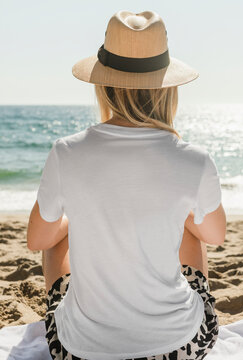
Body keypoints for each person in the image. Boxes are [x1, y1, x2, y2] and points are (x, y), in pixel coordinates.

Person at [27, 9, 226, 360]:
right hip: (179, 347)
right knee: (191, 226)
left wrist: (82, 215)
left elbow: (37, 239)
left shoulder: (66, 152)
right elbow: (214, 235)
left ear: (103, 85)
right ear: (169, 90)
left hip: (81, 352)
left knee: (60, 235)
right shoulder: (194, 159)